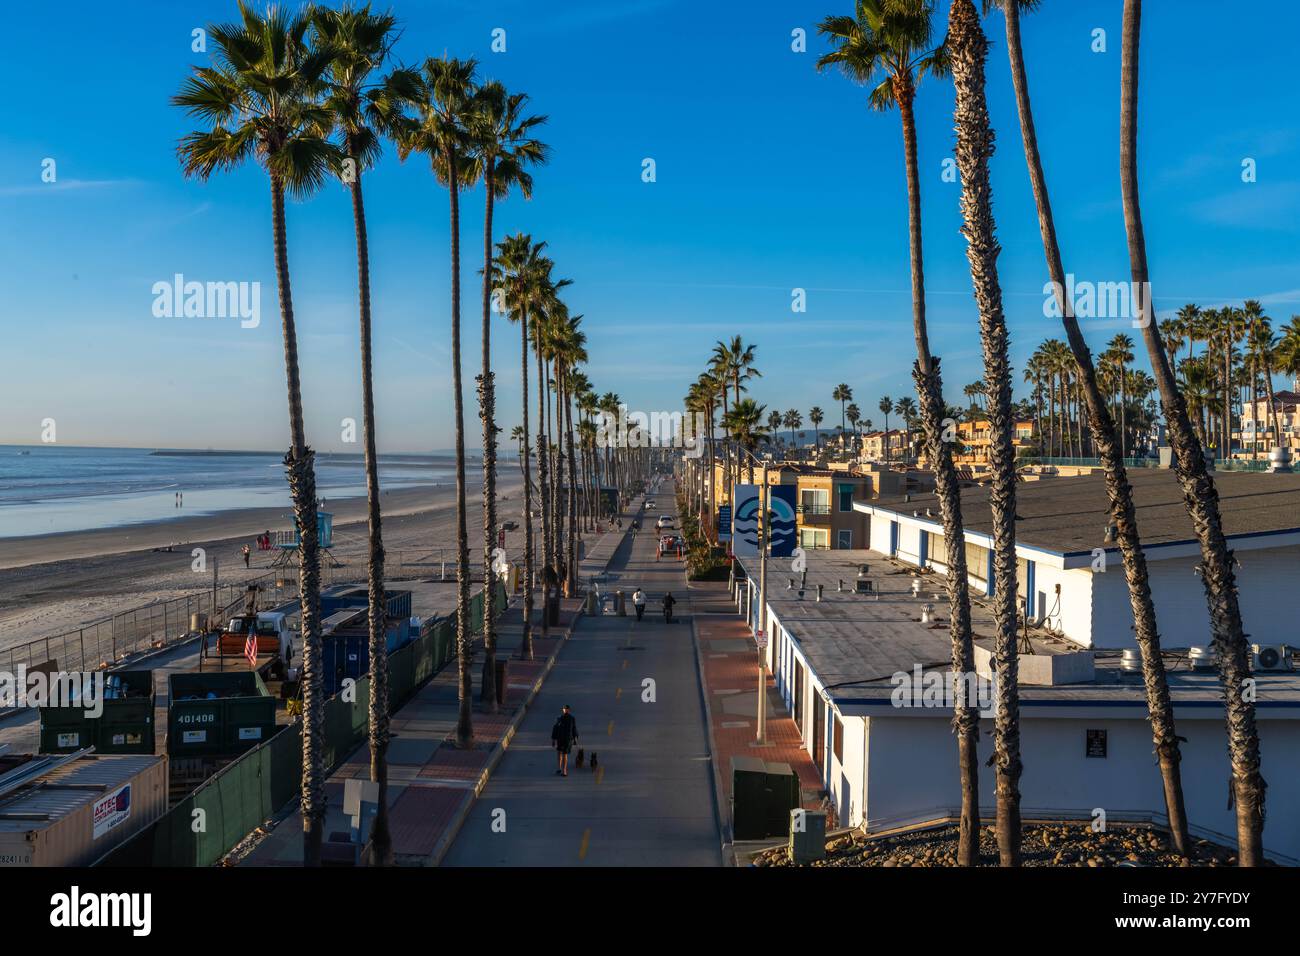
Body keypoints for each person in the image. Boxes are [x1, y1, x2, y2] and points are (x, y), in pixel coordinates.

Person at [551, 704, 579, 776]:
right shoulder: (559, 718)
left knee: (564, 754)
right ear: (562, 710)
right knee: (559, 752)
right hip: (560, 738)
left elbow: (574, 728)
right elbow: (555, 728)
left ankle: (564, 771)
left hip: (568, 739)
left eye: (566, 709)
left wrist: (575, 738)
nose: (565, 710)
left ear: (568, 710)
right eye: (564, 709)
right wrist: (553, 739)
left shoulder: (572, 718)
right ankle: (559, 768)